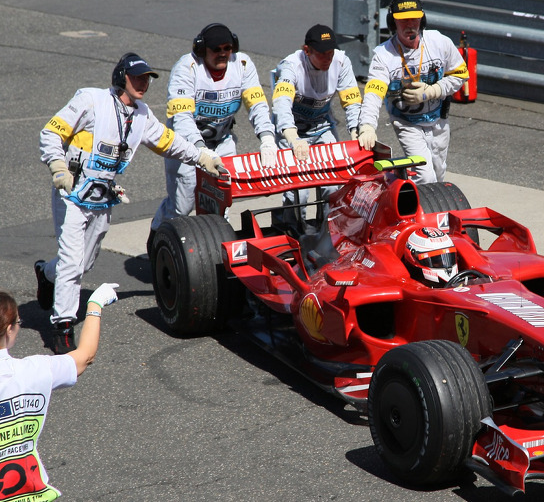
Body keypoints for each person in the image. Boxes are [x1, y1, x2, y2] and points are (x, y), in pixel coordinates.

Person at [35, 53, 225, 354]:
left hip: (101, 198)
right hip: (71, 192)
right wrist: (58, 166)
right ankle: (63, 326)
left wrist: (203, 158)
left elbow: (169, 142)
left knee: (84, 263)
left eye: (147, 78)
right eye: (137, 77)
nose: (144, 83)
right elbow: (51, 132)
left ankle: (46, 274)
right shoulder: (90, 100)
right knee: (72, 261)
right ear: (120, 77)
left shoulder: (142, 115)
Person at [149, 23, 277, 244]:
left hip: (223, 140)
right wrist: (200, 151)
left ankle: (215, 252)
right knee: (183, 205)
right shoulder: (186, 67)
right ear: (201, 50)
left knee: (221, 202)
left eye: (227, 48)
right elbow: (182, 118)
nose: (223, 54)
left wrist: (267, 137)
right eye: (216, 49)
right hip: (186, 144)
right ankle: (158, 241)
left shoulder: (243, 64)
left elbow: (257, 104)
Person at [0, 283, 118, 499]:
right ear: (9, 329)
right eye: (18, 322)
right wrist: (95, 304)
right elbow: (85, 356)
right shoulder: (33, 370)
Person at [358, 0, 468, 185]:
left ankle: (400, 187)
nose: (410, 24)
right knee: (426, 177)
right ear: (393, 23)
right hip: (407, 123)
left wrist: (433, 91)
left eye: (414, 18)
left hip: (439, 120)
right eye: (403, 20)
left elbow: (461, 75)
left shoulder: (440, 42)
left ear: (422, 18)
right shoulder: (383, 55)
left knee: (438, 173)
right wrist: (367, 126)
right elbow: (374, 93)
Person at [266, 24, 362, 233]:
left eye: (330, 52)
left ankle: (328, 231)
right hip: (292, 132)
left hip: (322, 127)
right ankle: (293, 230)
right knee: (298, 192)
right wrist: (291, 136)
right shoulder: (291, 65)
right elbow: (281, 102)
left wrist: (356, 130)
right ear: (307, 50)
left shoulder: (341, 61)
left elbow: (352, 100)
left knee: (332, 184)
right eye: (321, 54)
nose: (327, 58)